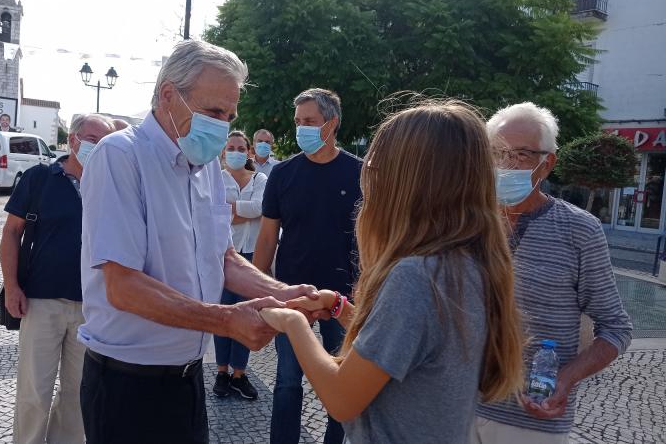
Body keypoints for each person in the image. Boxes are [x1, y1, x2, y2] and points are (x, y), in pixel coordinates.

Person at [78, 40, 317, 444]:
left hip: (187, 378)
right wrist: (226, 320)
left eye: (229, 115)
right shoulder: (120, 156)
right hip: (126, 385)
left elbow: (222, 258)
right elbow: (123, 286)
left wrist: (283, 294)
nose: (222, 126)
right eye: (213, 112)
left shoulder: (204, 165)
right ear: (169, 94)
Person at [260, 99, 525, 444]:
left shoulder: (416, 277)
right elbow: (399, 348)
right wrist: (340, 307)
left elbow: (341, 399)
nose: (368, 179)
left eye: (375, 166)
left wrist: (292, 323)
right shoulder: (465, 262)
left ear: (405, 182)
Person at [472, 102, 633, 444]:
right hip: (456, 408)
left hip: (530, 421)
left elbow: (616, 327)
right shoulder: (466, 223)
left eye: (523, 155)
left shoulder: (579, 230)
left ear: (548, 164)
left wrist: (566, 378)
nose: (507, 165)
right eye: (498, 153)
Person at [253, 88, 360, 444]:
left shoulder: (359, 174)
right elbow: (267, 238)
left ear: (332, 124)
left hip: (342, 299)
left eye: (310, 122)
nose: (302, 129)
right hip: (291, 294)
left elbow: (369, 240)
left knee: (341, 379)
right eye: (298, 122)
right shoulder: (283, 175)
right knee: (286, 381)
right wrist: (261, 290)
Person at [0, 113, 115, 444]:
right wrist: (12, 286)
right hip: (41, 300)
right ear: (73, 140)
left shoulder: (110, 184)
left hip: (92, 307)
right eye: (91, 138)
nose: (96, 146)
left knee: (78, 395)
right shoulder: (39, 177)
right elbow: (11, 233)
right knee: (35, 392)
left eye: (103, 141)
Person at [212, 131, 268, 400]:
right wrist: (242, 212)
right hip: (222, 256)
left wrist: (233, 210)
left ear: (248, 152)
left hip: (253, 255)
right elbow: (214, 213)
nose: (234, 151)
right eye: (230, 147)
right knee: (223, 313)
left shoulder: (260, 179)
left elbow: (260, 207)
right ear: (224, 151)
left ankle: (239, 374)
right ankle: (221, 372)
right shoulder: (215, 178)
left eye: (240, 147)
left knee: (247, 314)